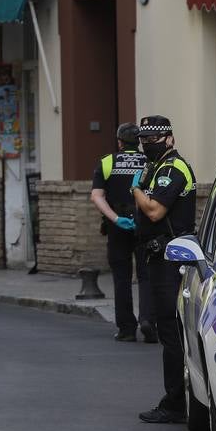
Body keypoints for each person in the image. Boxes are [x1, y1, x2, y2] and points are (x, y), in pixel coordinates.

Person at [131, 115, 197, 424]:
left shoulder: (172, 169)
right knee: (168, 331)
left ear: (169, 139)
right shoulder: (157, 167)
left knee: (171, 332)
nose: (147, 146)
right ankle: (179, 398)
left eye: (153, 140)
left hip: (171, 261)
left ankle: (175, 403)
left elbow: (155, 211)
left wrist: (136, 192)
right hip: (160, 258)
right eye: (143, 140)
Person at [90, 122, 155, 344]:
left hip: (118, 227)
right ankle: (149, 322)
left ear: (119, 142)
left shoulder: (107, 162)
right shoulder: (149, 162)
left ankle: (127, 329)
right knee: (147, 275)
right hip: (145, 224)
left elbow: (96, 196)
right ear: (138, 141)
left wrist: (116, 218)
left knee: (122, 278)